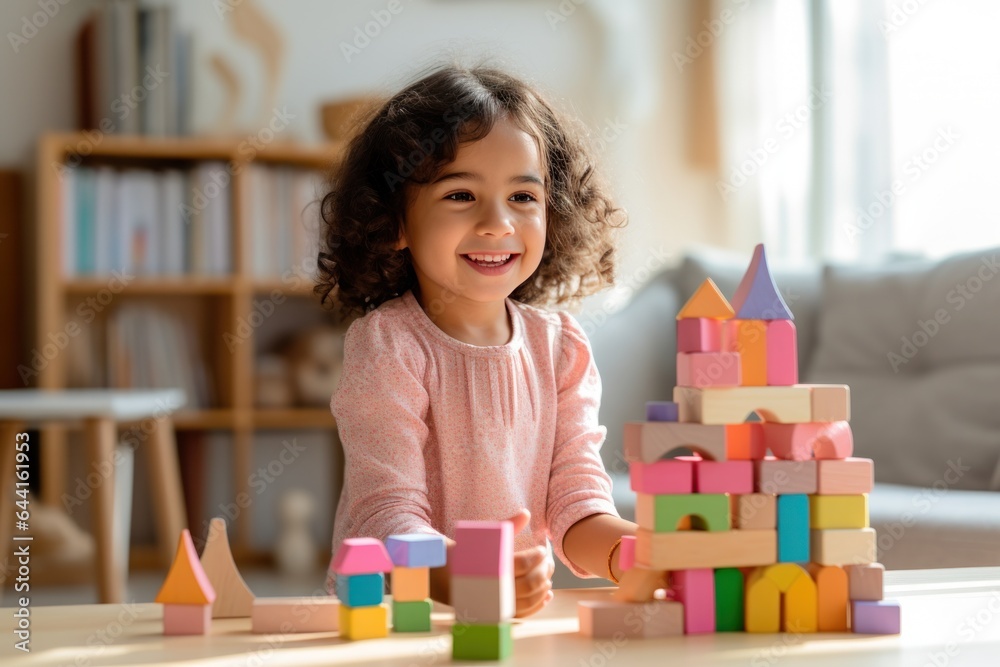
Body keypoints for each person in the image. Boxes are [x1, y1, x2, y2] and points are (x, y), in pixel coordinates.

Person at [316, 62, 635, 617]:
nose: (497, 222)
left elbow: (576, 502)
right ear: (394, 222)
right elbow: (385, 517)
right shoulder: (389, 345)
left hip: (506, 624)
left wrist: (630, 553)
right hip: (395, 620)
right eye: (461, 195)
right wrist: (465, 576)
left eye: (523, 197)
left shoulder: (561, 347)